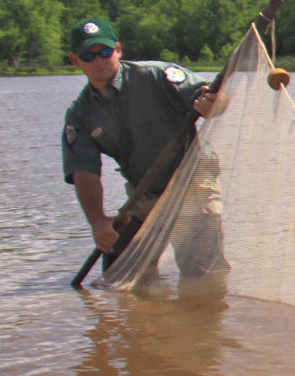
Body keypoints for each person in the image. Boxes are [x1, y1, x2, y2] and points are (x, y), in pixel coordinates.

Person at [62, 17, 225, 275]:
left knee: (201, 273)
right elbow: (84, 170)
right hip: (144, 194)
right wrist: (98, 223)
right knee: (118, 268)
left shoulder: (158, 75)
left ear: (117, 49)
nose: (99, 60)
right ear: (74, 59)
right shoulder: (79, 114)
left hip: (192, 184)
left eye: (105, 52)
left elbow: (213, 97)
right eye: (88, 55)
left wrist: (213, 102)